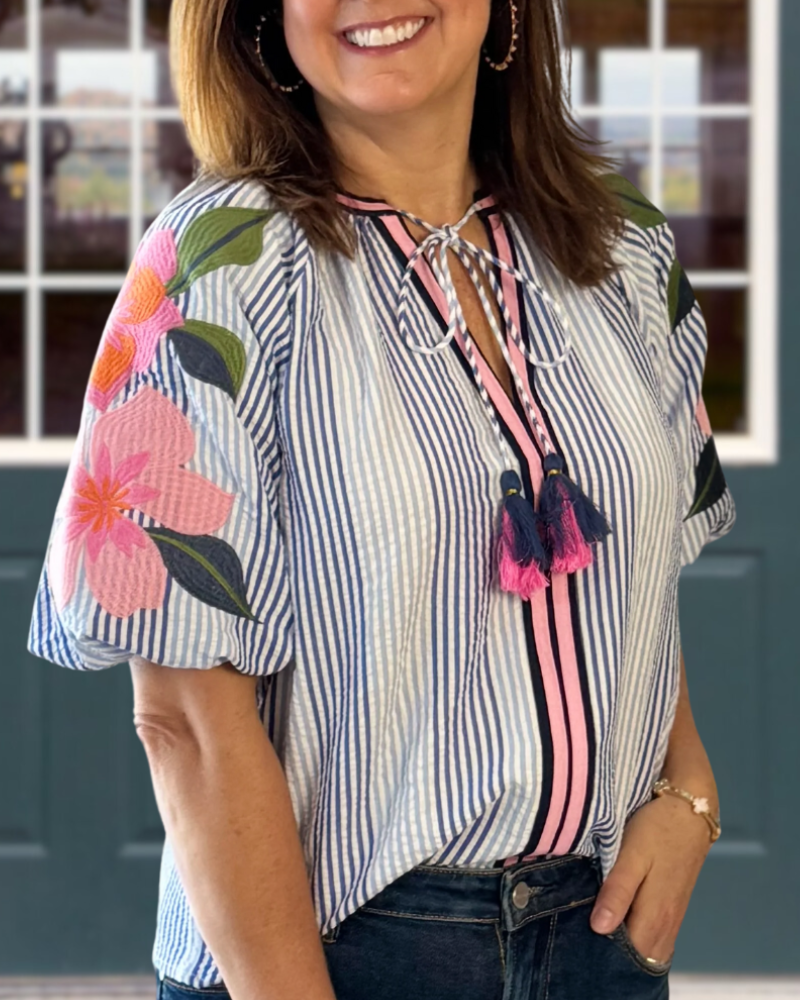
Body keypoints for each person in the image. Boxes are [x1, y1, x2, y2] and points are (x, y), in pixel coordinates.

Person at [27, 0, 736, 997]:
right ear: (262, 18)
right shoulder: (215, 267)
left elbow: (638, 574)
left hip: (594, 940)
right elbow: (183, 715)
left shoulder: (622, 247)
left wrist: (687, 785)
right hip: (328, 951)